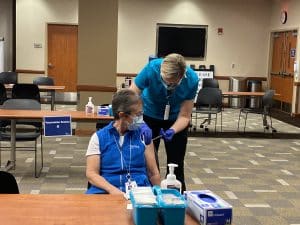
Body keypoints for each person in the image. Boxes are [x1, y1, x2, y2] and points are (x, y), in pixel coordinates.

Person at [130, 53, 199, 192]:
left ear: (181, 77)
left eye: (172, 83)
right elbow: (130, 96)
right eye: (165, 80)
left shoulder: (192, 80)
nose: (167, 85)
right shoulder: (152, 69)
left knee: (176, 164)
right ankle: (146, 197)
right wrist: (140, 123)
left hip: (175, 119)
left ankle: (176, 202)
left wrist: (173, 130)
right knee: (147, 162)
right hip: (148, 115)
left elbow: (185, 115)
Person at [86, 89, 160, 194]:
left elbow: (153, 173)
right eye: (137, 115)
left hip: (139, 192)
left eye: (141, 114)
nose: (141, 119)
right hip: (106, 191)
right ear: (122, 115)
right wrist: (114, 191)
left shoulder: (143, 135)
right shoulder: (99, 137)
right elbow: (91, 173)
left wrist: (159, 195)